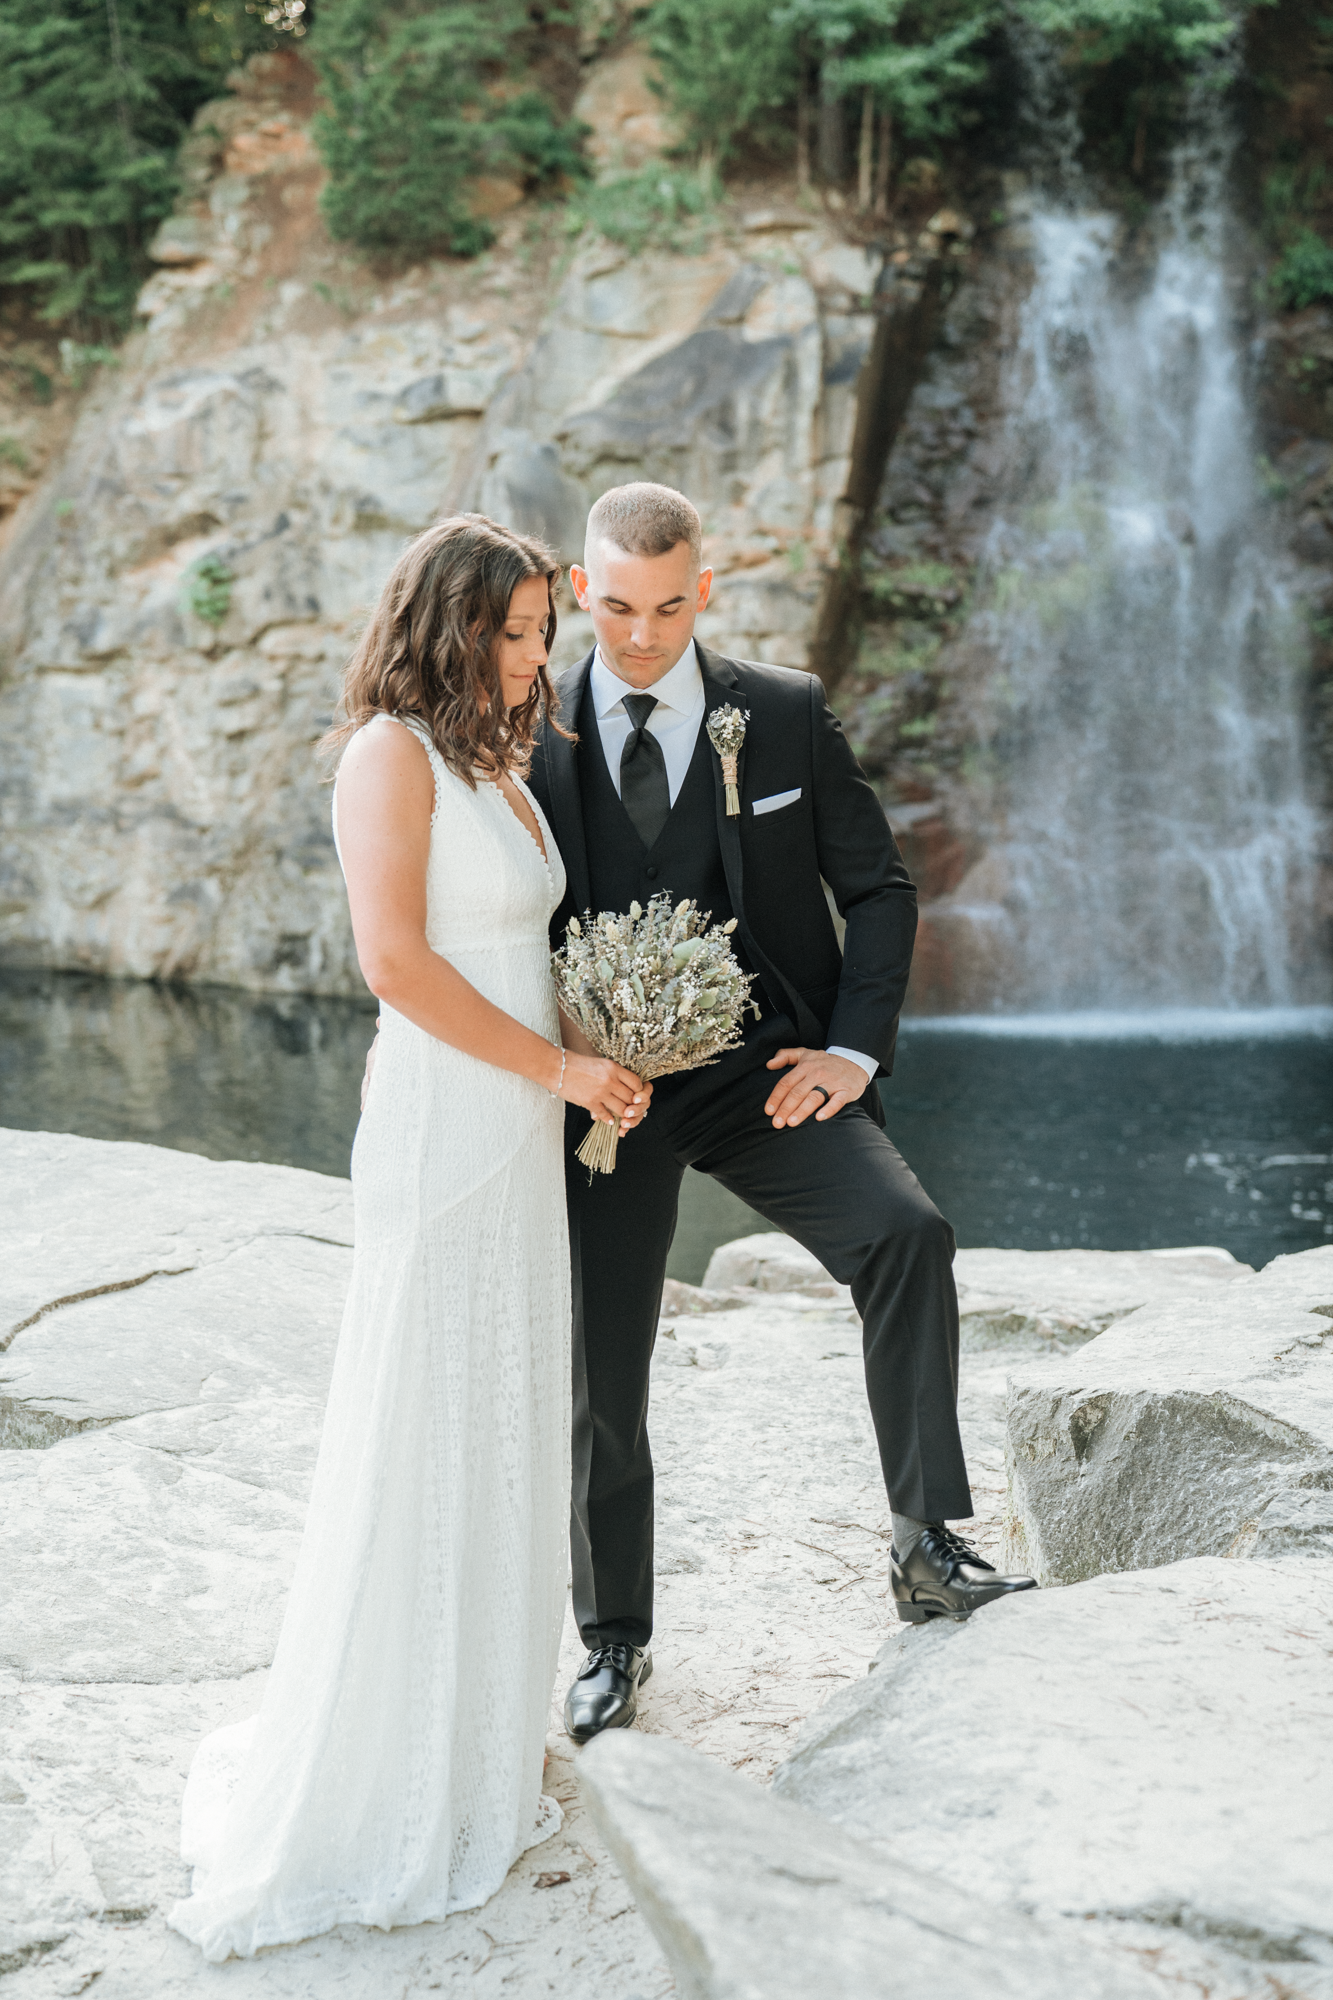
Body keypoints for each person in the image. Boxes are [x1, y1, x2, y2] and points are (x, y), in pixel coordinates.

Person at [167, 515, 647, 1960]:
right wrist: (556, 1070)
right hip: (448, 1128)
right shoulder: (389, 754)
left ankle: (477, 1755)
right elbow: (396, 963)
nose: (530, 655)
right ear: (440, 625)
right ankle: (386, 1775)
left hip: (517, 1127)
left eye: (536, 632)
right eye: (505, 632)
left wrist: (601, 1046)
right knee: (428, 1422)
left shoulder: (498, 763)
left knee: (503, 1420)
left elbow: (520, 945)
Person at [526, 482, 1036, 1745]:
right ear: (582, 593)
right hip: (603, 1090)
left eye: (668, 606)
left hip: (760, 1072)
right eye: (618, 607)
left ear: (704, 589)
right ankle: (614, 1635)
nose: (642, 636)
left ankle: (924, 1539)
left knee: (904, 1233)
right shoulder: (520, 721)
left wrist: (854, 1050)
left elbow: (879, 888)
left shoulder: (784, 713)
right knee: (607, 1357)